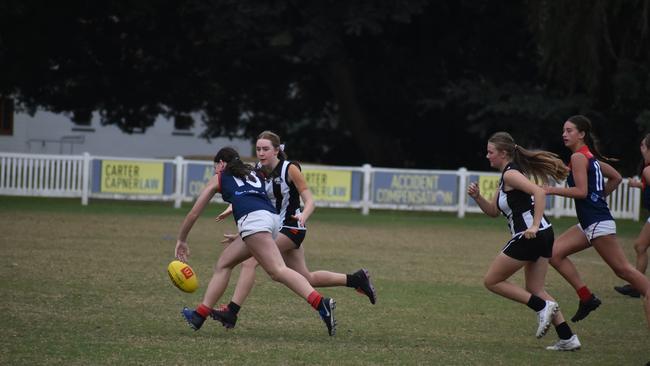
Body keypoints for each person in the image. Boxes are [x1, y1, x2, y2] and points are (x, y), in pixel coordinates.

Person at [211, 131, 376, 329]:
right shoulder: (257, 170)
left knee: (250, 262)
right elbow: (251, 198)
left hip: (291, 226)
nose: (261, 153)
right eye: (258, 149)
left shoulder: (290, 169)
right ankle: (356, 279)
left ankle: (232, 312)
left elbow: (310, 201)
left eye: (265, 149)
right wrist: (233, 214)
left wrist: (303, 216)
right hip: (273, 227)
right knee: (306, 278)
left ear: (277, 150)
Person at [174, 147, 337, 336]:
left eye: (216, 167)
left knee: (277, 271)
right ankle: (199, 315)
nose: (216, 171)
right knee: (224, 263)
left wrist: (182, 239)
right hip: (272, 219)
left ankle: (321, 304)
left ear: (221, 164)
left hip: (255, 222)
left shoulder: (221, 176)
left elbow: (194, 212)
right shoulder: (252, 171)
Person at [468, 131, 581, 351]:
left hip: (531, 235)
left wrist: (534, 225)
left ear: (503, 153)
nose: (487, 155)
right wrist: (477, 197)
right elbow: (492, 211)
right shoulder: (505, 177)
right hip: (543, 234)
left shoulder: (511, 175)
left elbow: (539, 193)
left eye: (490, 152)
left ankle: (542, 306)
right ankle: (568, 337)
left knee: (492, 281)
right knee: (535, 287)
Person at [544, 115, 650, 328]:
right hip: (589, 223)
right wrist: (599, 198)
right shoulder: (588, 157)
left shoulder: (579, 158)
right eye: (563, 130)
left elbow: (581, 192)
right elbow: (617, 178)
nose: (564, 134)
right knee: (554, 253)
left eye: (570, 130)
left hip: (597, 223)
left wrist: (549, 189)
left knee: (623, 270)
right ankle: (586, 298)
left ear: (582, 134)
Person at [614, 133, 650, 298]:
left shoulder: (648, 169)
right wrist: (639, 185)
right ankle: (637, 285)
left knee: (640, 246)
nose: (641, 149)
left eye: (643, 146)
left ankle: (638, 285)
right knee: (640, 246)